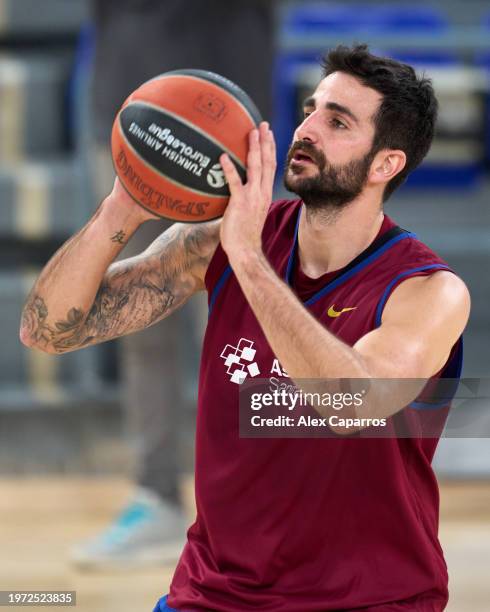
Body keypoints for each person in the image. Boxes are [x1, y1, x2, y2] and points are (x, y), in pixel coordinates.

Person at [20, 44, 470, 610]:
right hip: (214, 594)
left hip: (367, 599)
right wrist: (123, 207)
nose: (306, 129)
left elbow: (349, 408)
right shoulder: (223, 240)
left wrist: (250, 262)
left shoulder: (428, 290)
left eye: (337, 121)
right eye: (310, 108)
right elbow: (49, 330)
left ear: (386, 163)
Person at [75, 0, 274, 567]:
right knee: (140, 321)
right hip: (131, 124)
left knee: (247, 327)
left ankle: (258, 504)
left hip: (232, 136)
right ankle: (156, 496)